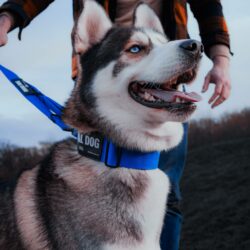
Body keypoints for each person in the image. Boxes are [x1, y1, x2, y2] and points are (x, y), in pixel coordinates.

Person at [0, 1, 232, 249]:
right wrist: (7, 17)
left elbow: (208, 7)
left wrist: (221, 58)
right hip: (103, 69)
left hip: (160, 78)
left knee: (169, 196)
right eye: (136, 48)